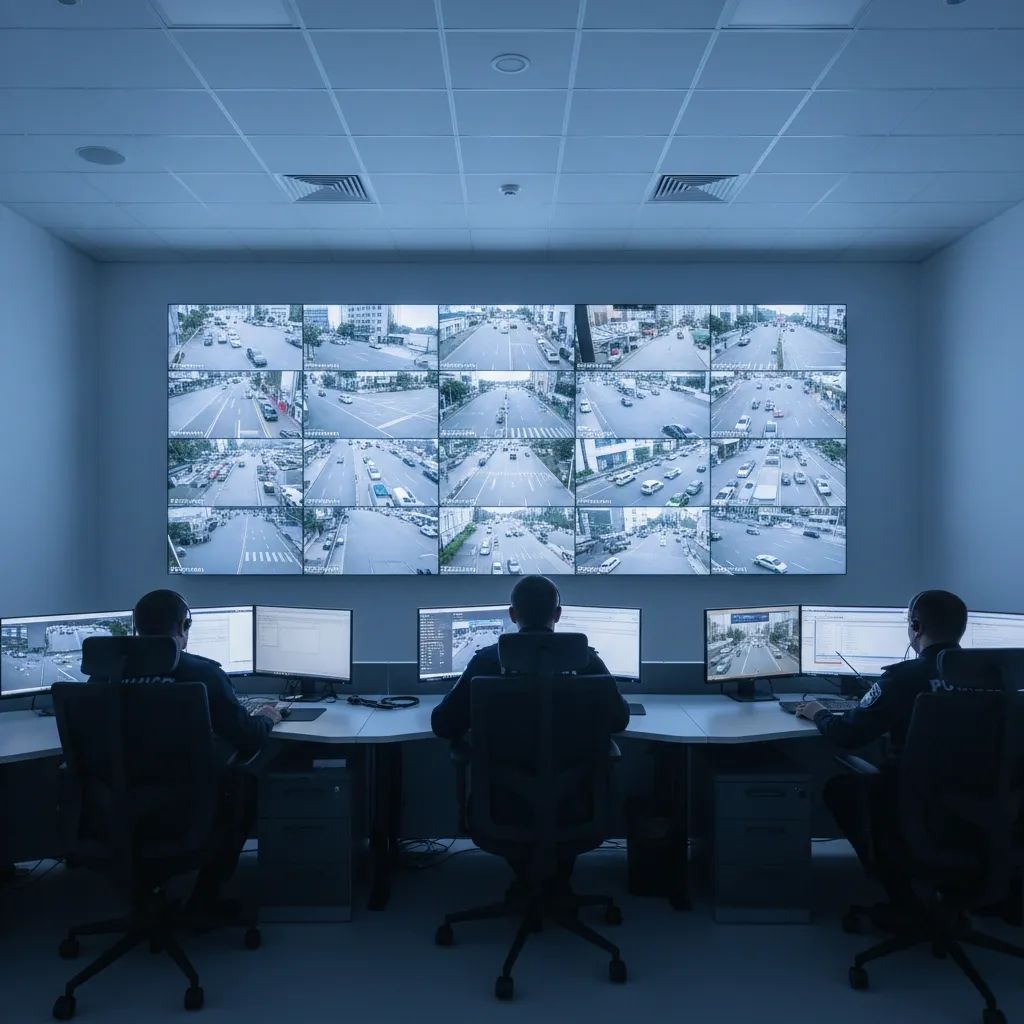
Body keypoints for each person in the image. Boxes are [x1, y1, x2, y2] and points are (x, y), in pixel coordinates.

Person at [431, 575, 629, 903]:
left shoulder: (486, 662)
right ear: (558, 614)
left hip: (503, 805)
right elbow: (619, 720)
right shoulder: (587, 661)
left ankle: (530, 885)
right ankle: (555, 886)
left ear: (512, 615)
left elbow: (443, 724)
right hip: (576, 803)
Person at [795, 589, 968, 923]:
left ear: (916, 626)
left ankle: (898, 888)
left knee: (841, 789)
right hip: (982, 806)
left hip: (914, 803)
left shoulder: (904, 678)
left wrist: (818, 712)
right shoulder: (994, 677)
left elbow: (848, 735)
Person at [132, 589, 280, 913]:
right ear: (183, 626)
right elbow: (248, 737)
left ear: (136, 627)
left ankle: (144, 895)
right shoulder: (202, 674)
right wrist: (268, 717)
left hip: (114, 807)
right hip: (187, 808)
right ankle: (204, 899)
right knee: (246, 782)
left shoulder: (103, 675)